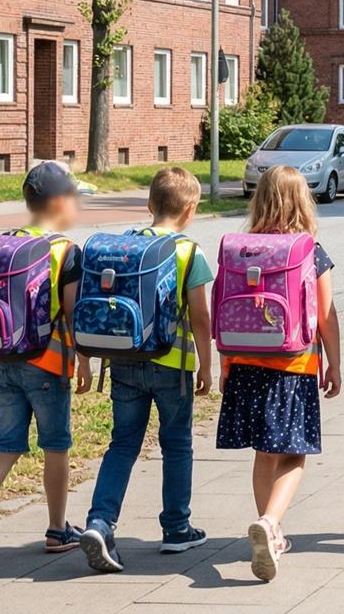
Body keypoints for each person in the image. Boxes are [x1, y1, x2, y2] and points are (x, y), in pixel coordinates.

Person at [0, 163, 92, 572]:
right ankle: (57, 528)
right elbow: (71, 313)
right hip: (46, 365)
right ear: (62, 202)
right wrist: (83, 359)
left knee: (7, 444)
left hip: (3, 361)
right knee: (56, 445)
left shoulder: (6, 243)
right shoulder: (65, 251)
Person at [81, 167, 214, 574]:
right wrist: (207, 365)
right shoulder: (189, 251)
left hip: (124, 360)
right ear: (190, 209)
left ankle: (100, 523)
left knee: (122, 444)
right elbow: (201, 316)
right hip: (172, 367)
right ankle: (176, 528)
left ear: (149, 205)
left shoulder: (124, 246)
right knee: (177, 444)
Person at [216, 166, 341, 582]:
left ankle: (269, 527)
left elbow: (224, 307)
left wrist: (224, 364)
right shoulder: (309, 250)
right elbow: (325, 316)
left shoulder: (239, 249)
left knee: (262, 451)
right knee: (293, 452)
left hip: (246, 363)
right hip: (293, 365)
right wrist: (334, 364)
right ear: (303, 200)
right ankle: (271, 523)